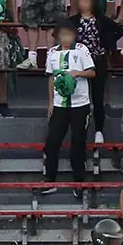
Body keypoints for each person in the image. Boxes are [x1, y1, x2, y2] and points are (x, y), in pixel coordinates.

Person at [43, 21, 95, 194]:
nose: (66, 38)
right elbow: (50, 78)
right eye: (62, 35)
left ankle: (79, 183)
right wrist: (50, 102)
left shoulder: (81, 49)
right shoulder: (52, 52)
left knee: (78, 142)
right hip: (59, 104)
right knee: (52, 142)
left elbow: (92, 72)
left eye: (69, 34)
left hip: (80, 103)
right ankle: (50, 180)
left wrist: (77, 73)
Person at [69, 0, 123, 143]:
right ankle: (80, 129)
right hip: (79, 63)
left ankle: (99, 130)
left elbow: (119, 31)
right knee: (80, 97)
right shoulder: (73, 21)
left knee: (97, 96)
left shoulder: (101, 20)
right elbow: (60, 34)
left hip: (98, 61)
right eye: (80, 0)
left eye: (86, 0)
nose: (83, 3)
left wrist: (107, 44)